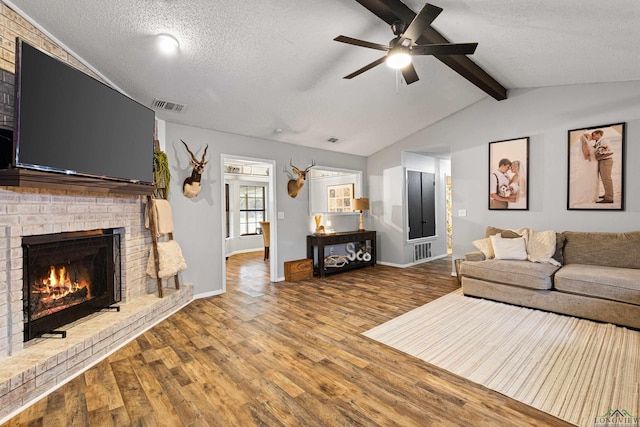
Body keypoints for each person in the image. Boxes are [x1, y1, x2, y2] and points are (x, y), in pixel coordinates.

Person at [571, 132, 599, 205]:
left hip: (592, 163)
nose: (591, 137)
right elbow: (586, 156)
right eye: (589, 136)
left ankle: (594, 194)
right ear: (586, 137)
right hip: (591, 164)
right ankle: (590, 195)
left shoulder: (587, 144)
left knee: (592, 179)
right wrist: (595, 156)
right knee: (591, 179)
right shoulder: (585, 145)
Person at [592, 129, 614, 203]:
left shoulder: (604, 141)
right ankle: (607, 194)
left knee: (607, 179)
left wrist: (596, 157)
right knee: (604, 179)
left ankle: (609, 198)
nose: (593, 136)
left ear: (599, 134)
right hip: (603, 161)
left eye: (594, 134)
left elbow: (608, 152)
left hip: (606, 161)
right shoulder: (598, 142)